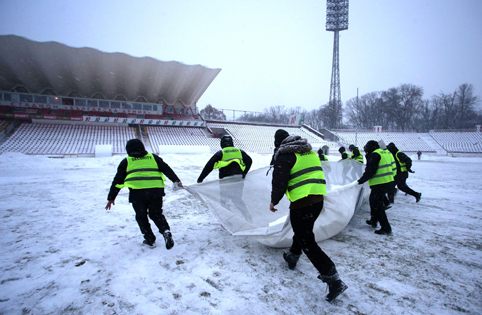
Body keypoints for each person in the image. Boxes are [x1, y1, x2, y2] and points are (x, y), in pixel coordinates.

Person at [270, 130, 347, 302]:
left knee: (308, 241)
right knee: (304, 232)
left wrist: (273, 201)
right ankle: (293, 255)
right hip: (318, 200)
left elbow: (279, 182)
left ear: (280, 143)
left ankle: (333, 279)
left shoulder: (285, 156)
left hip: (302, 203)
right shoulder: (309, 152)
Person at [105, 139, 183, 249]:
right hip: (156, 192)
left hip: (138, 193)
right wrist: (176, 180)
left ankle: (150, 239)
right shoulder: (153, 157)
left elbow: (117, 181)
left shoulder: (127, 161)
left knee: (141, 217)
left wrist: (111, 198)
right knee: (156, 214)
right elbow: (166, 169)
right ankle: (165, 230)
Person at [197, 135, 253, 220]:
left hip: (225, 180)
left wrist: (201, 178)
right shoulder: (239, 151)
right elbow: (249, 160)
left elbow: (209, 166)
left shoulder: (221, 153)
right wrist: (244, 173)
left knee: (224, 201)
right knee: (237, 199)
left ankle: (228, 219)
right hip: (238, 180)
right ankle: (247, 215)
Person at [357, 140, 395, 235]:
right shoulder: (384, 153)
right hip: (387, 181)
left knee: (377, 205)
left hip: (380, 183)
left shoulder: (375, 155)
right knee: (374, 202)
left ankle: (386, 228)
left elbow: (370, 170)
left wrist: (361, 180)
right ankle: (373, 220)